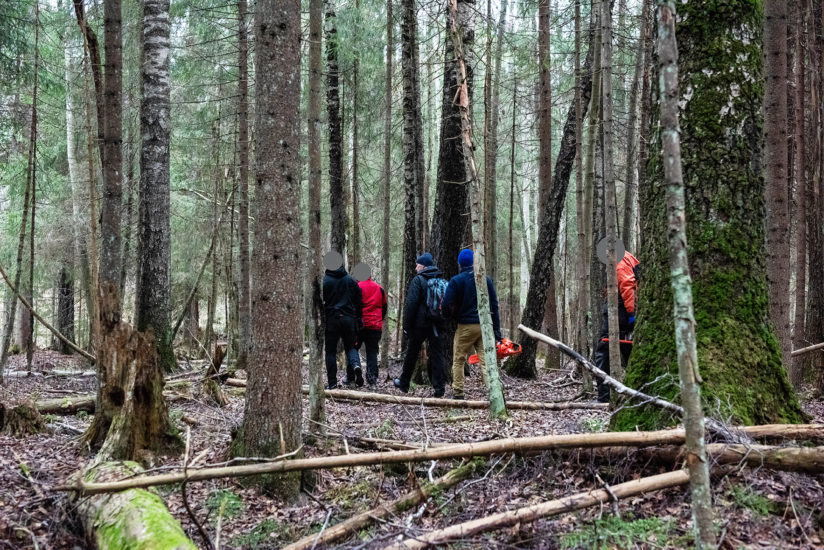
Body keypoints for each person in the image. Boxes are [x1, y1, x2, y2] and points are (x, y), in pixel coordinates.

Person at [441, 248, 502, 400]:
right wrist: (497, 331)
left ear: (460, 264)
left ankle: (458, 392)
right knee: (486, 361)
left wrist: (448, 316)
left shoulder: (456, 281)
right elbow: (494, 305)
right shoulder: (485, 280)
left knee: (459, 359)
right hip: (484, 327)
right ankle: (493, 392)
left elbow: (447, 303)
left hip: (466, 326)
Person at [394, 252, 448, 397]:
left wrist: (407, 326)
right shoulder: (440, 279)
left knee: (411, 353)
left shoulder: (419, 280)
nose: (415, 268)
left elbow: (411, 304)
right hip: (436, 323)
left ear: (423, 266)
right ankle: (439, 388)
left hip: (420, 324)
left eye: (417, 265)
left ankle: (404, 382)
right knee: (437, 354)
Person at [593, 250, 640, 402]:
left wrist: (631, 313)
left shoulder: (619, 260)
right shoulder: (627, 257)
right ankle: (637, 392)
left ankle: (604, 397)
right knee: (628, 350)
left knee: (603, 350)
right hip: (623, 310)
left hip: (620, 311)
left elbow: (627, 285)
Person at [322, 251, 364, 388]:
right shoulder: (350, 280)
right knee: (351, 347)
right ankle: (356, 365)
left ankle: (332, 384)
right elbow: (359, 301)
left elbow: (320, 301)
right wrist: (359, 318)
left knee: (330, 352)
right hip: (349, 319)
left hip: (332, 319)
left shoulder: (325, 281)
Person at [353, 263, 387, 390]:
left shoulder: (356, 287)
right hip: (375, 325)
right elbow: (384, 307)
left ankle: (353, 376)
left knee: (353, 348)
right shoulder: (379, 289)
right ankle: (372, 381)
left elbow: (353, 306)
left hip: (360, 325)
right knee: (372, 352)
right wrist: (379, 319)